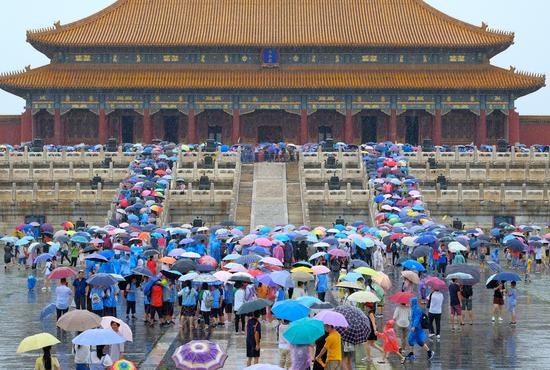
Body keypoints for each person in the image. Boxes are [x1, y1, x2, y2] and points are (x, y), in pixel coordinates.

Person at [406, 298, 434, 362]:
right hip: (414, 327)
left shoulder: (417, 309)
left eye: (410, 302)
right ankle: (412, 353)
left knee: (412, 339)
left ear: (413, 302)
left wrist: (414, 326)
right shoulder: (414, 308)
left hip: (416, 328)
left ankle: (429, 352)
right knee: (414, 340)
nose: (409, 303)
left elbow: (417, 319)